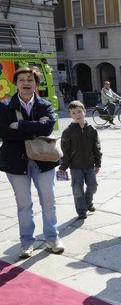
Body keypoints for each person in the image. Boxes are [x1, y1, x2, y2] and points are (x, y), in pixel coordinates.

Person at [0, 67, 65, 258]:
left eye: (30, 80)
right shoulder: (5, 106)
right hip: (16, 162)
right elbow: (4, 133)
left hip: (43, 160)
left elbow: (48, 128)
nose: (26, 83)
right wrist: (36, 127)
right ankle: (27, 242)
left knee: (49, 200)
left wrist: (20, 125)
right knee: (24, 204)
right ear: (16, 83)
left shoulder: (44, 104)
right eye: (22, 80)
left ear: (36, 84)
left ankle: (52, 238)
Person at [59, 100, 102, 219]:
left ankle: (88, 202)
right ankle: (81, 210)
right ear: (70, 115)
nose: (77, 115)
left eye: (79, 111)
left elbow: (97, 147)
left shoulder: (92, 129)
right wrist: (63, 166)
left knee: (93, 186)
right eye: (73, 113)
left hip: (89, 165)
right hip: (75, 166)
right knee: (77, 189)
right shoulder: (68, 132)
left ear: (84, 111)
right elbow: (65, 151)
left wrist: (98, 163)